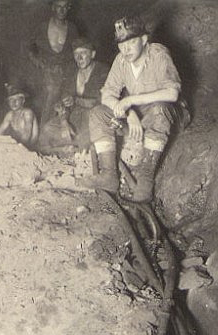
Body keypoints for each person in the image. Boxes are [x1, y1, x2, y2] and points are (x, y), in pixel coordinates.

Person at [83, 16, 190, 203]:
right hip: (139, 114)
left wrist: (130, 100)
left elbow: (172, 93)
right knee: (98, 114)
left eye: (131, 42)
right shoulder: (121, 60)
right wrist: (129, 112)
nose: (126, 49)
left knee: (158, 110)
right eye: (121, 44)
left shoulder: (158, 54)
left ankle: (146, 180)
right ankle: (109, 175)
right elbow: (107, 95)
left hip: (168, 114)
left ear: (144, 39)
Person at [39, 37, 109, 155]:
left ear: (92, 54)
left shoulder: (102, 71)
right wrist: (64, 122)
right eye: (76, 54)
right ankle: (68, 148)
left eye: (83, 53)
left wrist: (76, 100)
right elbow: (63, 101)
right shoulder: (72, 73)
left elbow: (100, 101)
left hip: (94, 117)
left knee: (83, 140)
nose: (79, 58)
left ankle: (74, 149)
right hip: (73, 117)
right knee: (47, 131)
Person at [26, 0, 79, 123]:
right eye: (59, 7)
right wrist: (38, 62)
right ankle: (43, 128)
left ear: (69, 8)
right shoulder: (42, 27)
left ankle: (59, 128)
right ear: (53, 7)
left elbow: (77, 50)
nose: (62, 10)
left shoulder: (72, 28)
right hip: (46, 71)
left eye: (65, 7)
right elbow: (30, 48)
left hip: (66, 72)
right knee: (50, 97)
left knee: (65, 103)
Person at [0, 84, 39, 149]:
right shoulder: (10, 115)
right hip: (19, 145)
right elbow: (0, 131)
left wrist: (18, 147)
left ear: (23, 100)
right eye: (11, 100)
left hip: (29, 147)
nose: (13, 102)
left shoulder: (27, 113)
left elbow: (27, 134)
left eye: (17, 99)